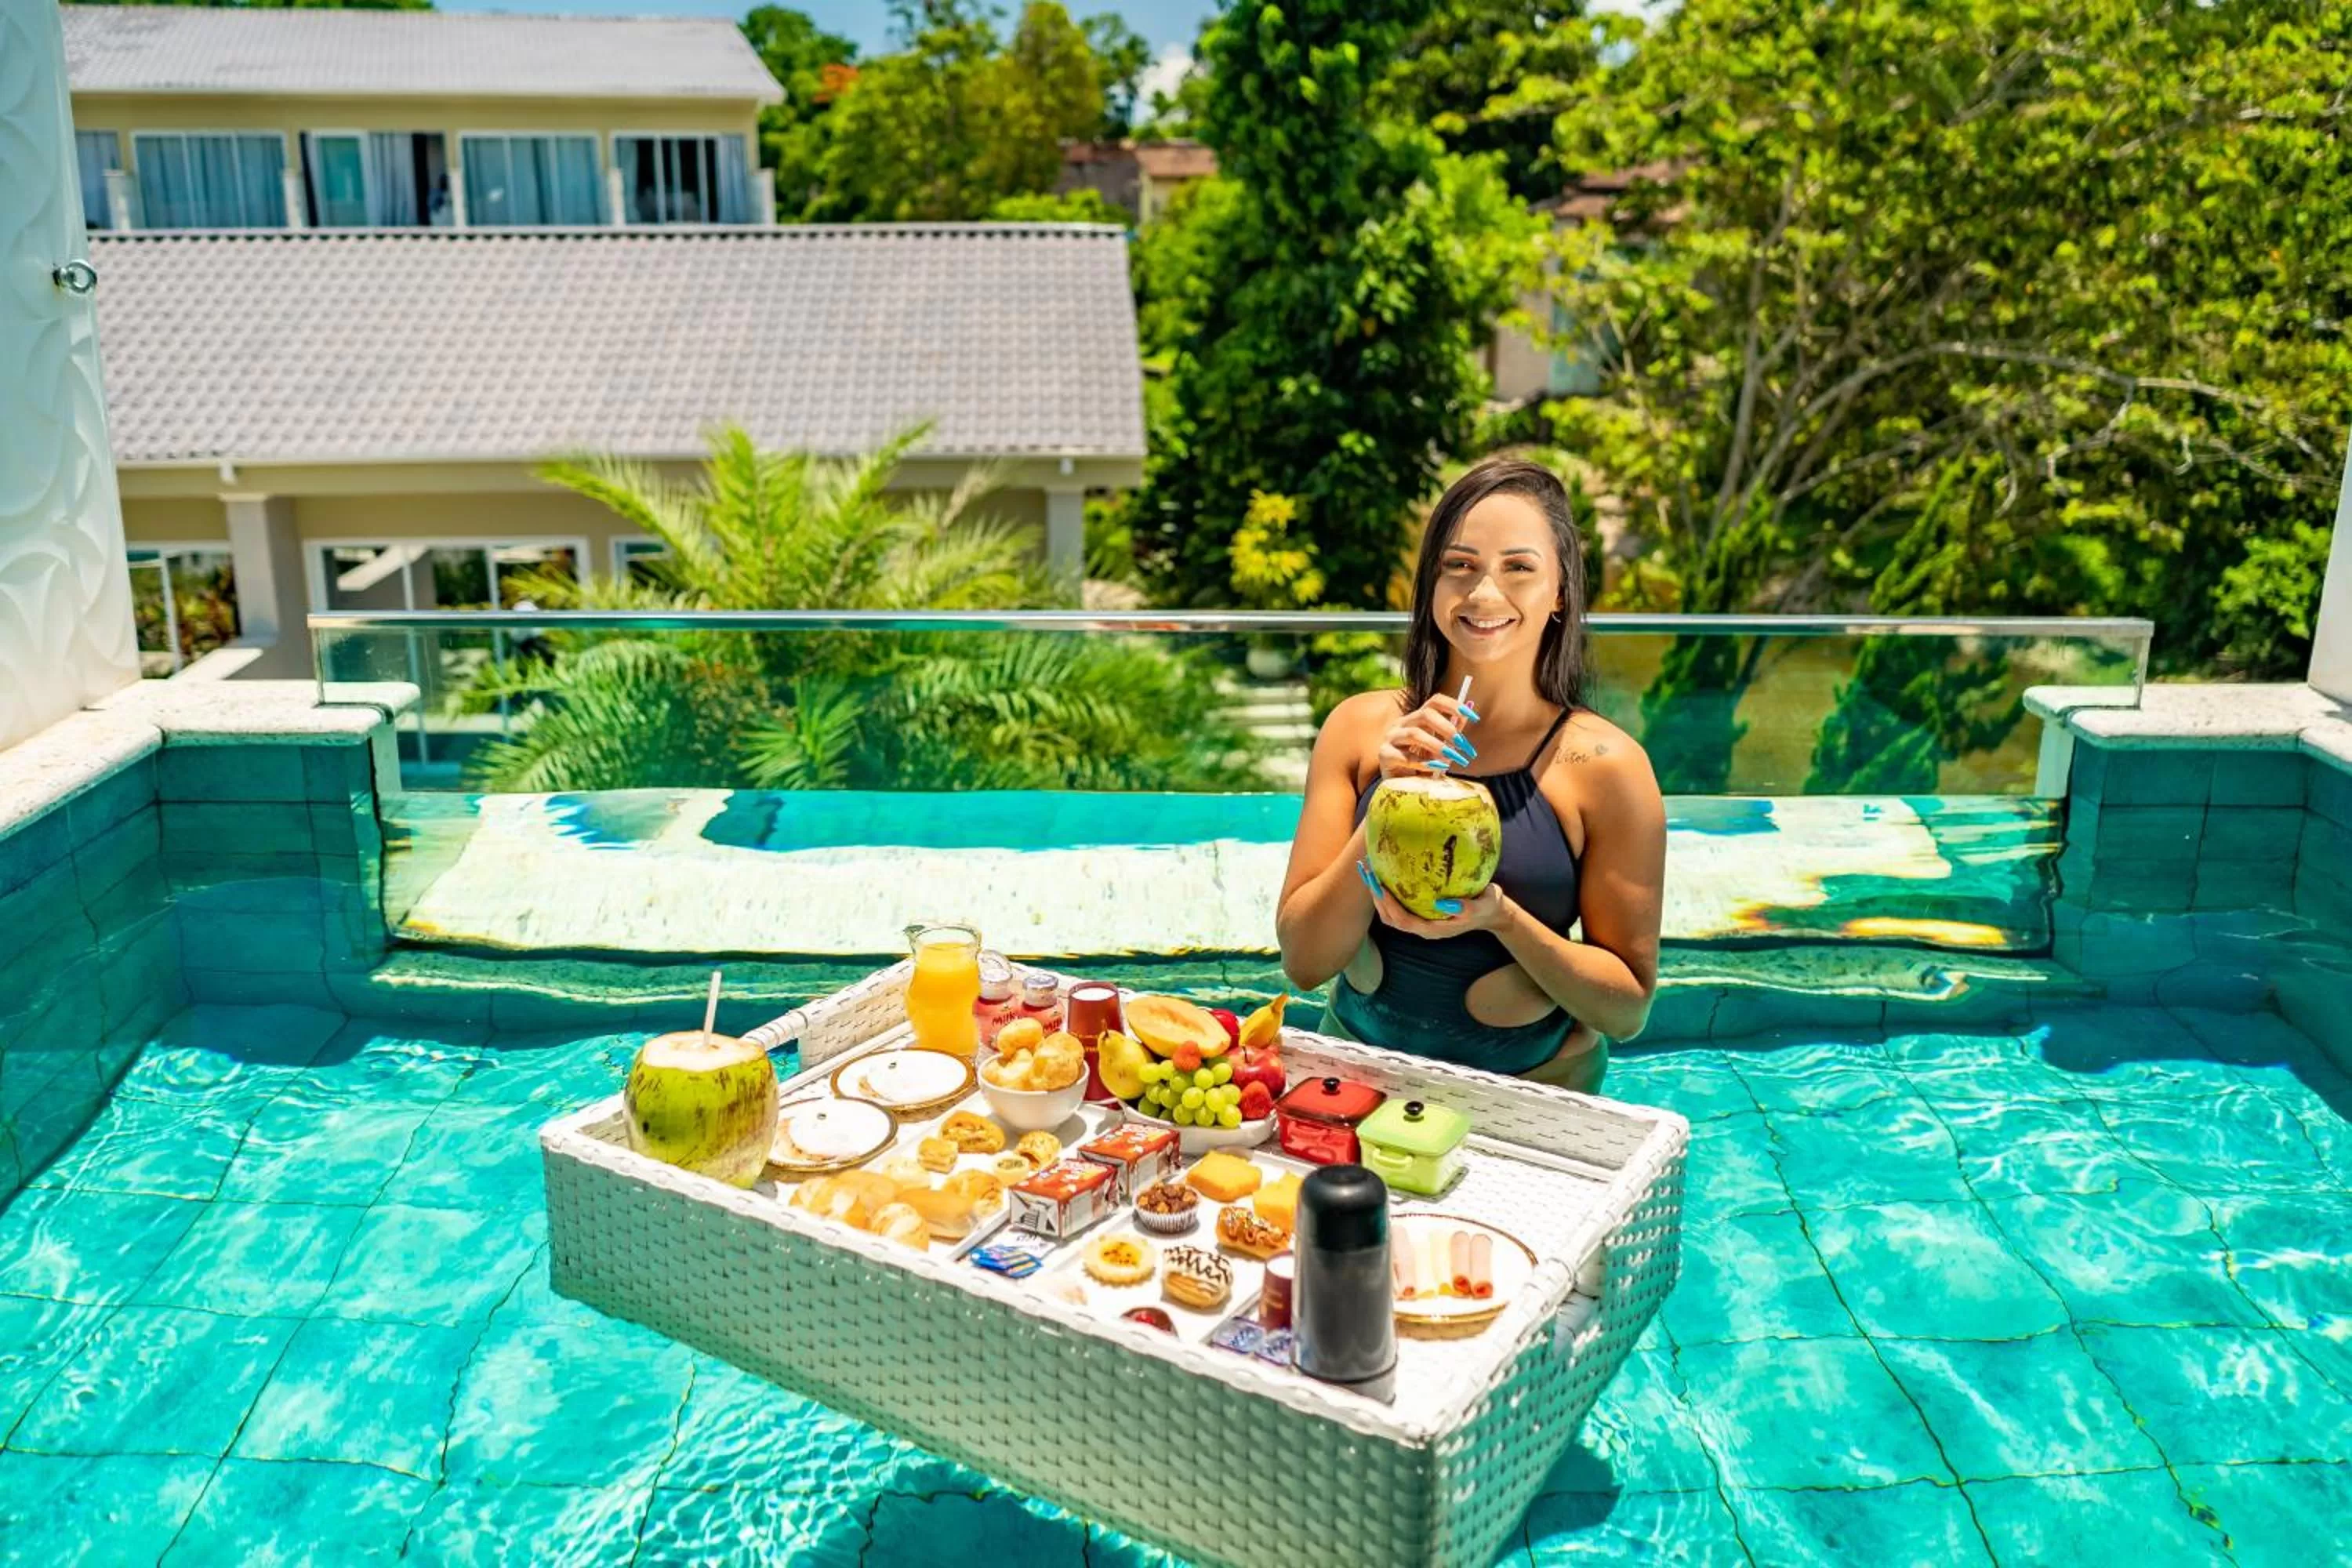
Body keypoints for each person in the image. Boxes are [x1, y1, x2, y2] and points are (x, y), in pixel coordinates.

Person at [1276, 456, 1665, 1091]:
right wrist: (1387, 800)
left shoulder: (1605, 768)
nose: (1484, 594)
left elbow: (1625, 1012)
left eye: (1518, 568)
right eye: (1460, 566)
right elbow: (1304, 963)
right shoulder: (1357, 730)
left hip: (1538, 1092)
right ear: (1432, 584)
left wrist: (1499, 918)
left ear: (1561, 591)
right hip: (1356, 1071)